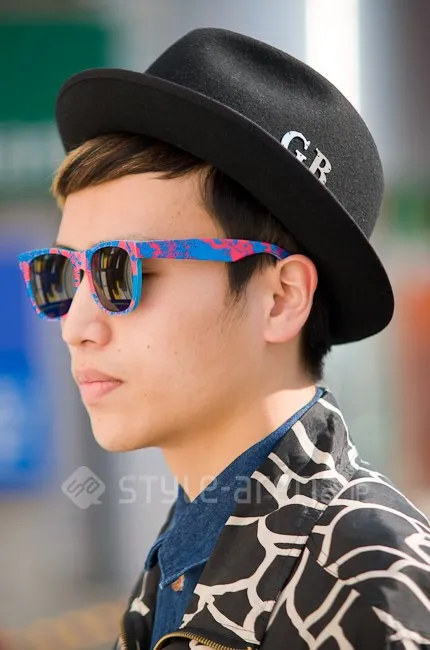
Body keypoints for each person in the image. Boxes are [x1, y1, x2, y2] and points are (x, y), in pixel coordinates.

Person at [18, 27, 430, 650]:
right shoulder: (191, 546)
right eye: (63, 274)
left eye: (120, 270)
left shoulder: (371, 586)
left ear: (281, 298)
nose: (76, 326)